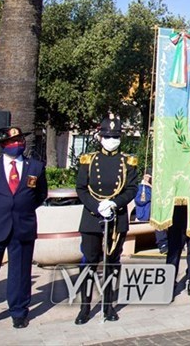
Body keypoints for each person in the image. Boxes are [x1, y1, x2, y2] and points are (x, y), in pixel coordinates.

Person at [75, 115, 139, 324]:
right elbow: (81, 188)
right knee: (89, 262)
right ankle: (85, 307)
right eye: (108, 136)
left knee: (112, 262)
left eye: (115, 136)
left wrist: (115, 203)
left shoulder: (127, 162)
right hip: (92, 218)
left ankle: (108, 305)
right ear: (100, 137)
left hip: (116, 218)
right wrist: (97, 205)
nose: (112, 140)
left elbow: (131, 189)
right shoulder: (88, 160)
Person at [0, 127, 48, 329]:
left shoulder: (36, 167)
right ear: (3, 145)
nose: (19, 144)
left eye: (21, 139)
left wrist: (23, 208)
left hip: (23, 226)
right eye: (14, 141)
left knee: (21, 273)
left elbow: (41, 194)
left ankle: (19, 312)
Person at [134, 172, 168, 253]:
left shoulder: (157, 186)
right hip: (145, 213)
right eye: (148, 177)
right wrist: (150, 188)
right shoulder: (142, 187)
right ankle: (163, 244)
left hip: (157, 212)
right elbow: (141, 200)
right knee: (158, 221)